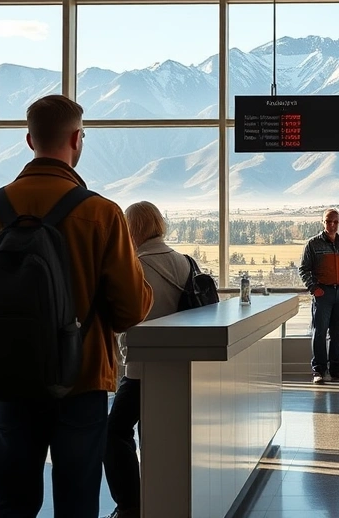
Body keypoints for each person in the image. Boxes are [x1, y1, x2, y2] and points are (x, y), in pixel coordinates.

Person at [0, 94, 154, 518]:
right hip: (80, 380)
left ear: (29, 141)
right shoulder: (102, 214)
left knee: (14, 499)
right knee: (77, 499)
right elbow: (131, 309)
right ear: (78, 139)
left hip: (8, 380)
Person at [104, 201, 190, 518]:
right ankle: (161, 494)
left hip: (141, 369)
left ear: (132, 229)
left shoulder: (132, 267)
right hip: (178, 366)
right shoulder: (184, 262)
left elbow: (121, 319)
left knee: (114, 431)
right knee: (155, 432)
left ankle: (130, 504)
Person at [299, 208, 339, 385]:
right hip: (323, 293)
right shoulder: (313, 244)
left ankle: (336, 369)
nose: (332, 224)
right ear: (322, 222)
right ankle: (318, 370)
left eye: (335, 221)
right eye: (328, 221)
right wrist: (314, 288)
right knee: (319, 333)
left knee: (337, 332)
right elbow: (304, 269)